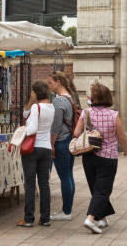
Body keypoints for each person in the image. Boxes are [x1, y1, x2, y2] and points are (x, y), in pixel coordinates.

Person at [74, 83, 127, 234]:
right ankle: (91, 219)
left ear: (94, 98)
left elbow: (76, 133)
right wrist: (125, 149)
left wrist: (90, 131)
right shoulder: (113, 115)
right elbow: (121, 135)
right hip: (108, 156)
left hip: (89, 155)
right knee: (103, 189)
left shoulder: (85, 113)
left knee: (96, 188)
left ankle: (102, 218)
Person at [16, 80, 55, 228]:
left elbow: (31, 129)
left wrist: (21, 131)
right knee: (44, 184)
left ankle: (29, 218)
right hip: (46, 148)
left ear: (35, 92)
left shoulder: (36, 107)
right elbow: (26, 113)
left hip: (32, 149)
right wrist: (32, 102)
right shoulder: (51, 107)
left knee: (30, 183)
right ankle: (45, 218)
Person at [47, 71, 78, 221]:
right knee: (69, 176)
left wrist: (51, 144)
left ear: (58, 81)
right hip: (68, 141)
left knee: (65, 177)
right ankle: (67, 209)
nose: (49, 86)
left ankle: (66, 211)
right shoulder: (69, 97)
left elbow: (56, 126)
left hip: (61, 142)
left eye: (51, 83)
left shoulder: (59, 101)